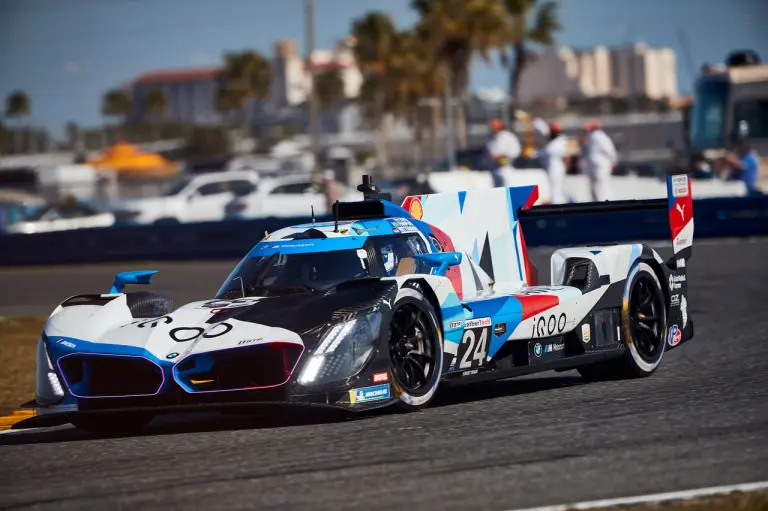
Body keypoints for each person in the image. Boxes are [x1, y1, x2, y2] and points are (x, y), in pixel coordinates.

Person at [582, 120, 618, 201]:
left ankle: (597, 203)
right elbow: (609, 150)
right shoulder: (600, 136)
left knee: (596, 187)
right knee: (601, 186)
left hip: (594, 165)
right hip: (600, 165)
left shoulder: (592, 137)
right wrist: (614, 160)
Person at [721, 129, 762, 196]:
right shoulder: (740, 157)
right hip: (735, 190)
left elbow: (741, 166)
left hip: (747, 190)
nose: (738, 147)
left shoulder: (751, 157)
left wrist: (728, 157)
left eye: (740, 144)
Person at [537, 122, 569, 204]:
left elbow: (548, 151)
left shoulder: (560, 141)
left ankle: (557, 205)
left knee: (556, 189)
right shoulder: (555, 141)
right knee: (553, 188)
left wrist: (535, 153)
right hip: (552, 167)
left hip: (556, 167)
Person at [485, 118, 521, 187]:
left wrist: (503, 156)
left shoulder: (508, 137)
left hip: (507, 167)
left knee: (508, 188)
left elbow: (516, 151)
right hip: (494, 168)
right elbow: (489, 152)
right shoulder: (490, 138)